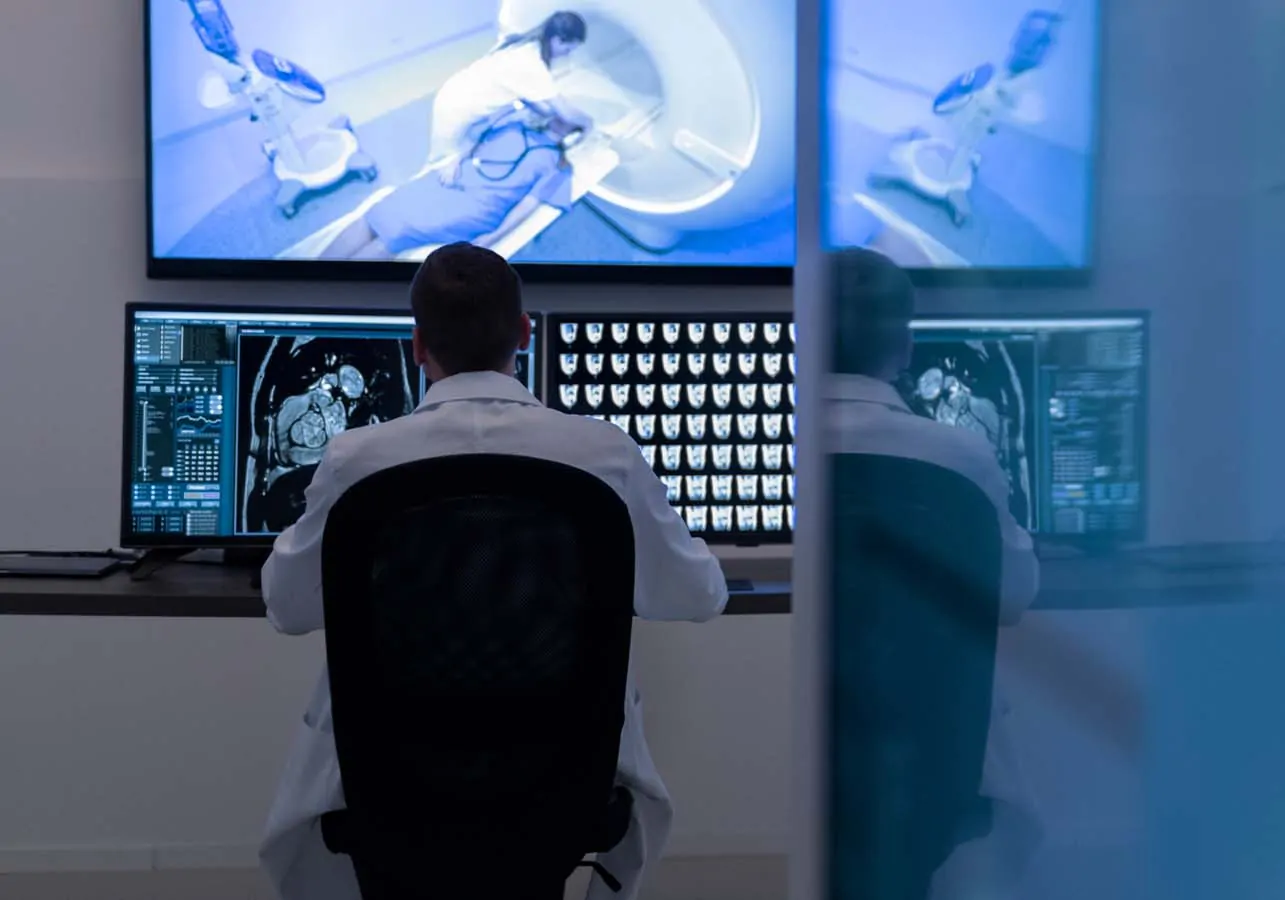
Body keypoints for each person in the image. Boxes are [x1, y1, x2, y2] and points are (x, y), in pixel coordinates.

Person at [258, 243, 728, 900]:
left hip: (396, 786)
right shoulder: (605, 454)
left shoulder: (355, 460)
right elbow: (698, 595)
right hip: (557, 787)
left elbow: (288, 609)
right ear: (525, 331)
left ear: (418, 344)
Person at [823, 247, 1043, 898]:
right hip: (926, 763)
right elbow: (1013, 596)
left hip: (807, 748)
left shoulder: (791, 443)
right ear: (906, 345)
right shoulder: (960, 455)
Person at [321, 112, 581, 260]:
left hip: (478, 206)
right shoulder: (516, 122)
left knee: (396, 232)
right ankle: (309, 276)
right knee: (378, 213)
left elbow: (526, 207)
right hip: (452, 179)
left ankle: (328, 296)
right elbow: (476, 140)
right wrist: (456, 160)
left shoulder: (558, 165)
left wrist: (490, 240)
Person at [429, 11, 595, 185]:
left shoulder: (525, 43)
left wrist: (550, 115)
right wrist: (589, 124)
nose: (567, 54)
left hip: (458, 90)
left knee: (458, 155)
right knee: (443, 163)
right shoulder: (532, 64)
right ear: (557, 39)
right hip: (456, 106)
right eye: (568, 49)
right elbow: (566, 112)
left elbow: (534, 98)